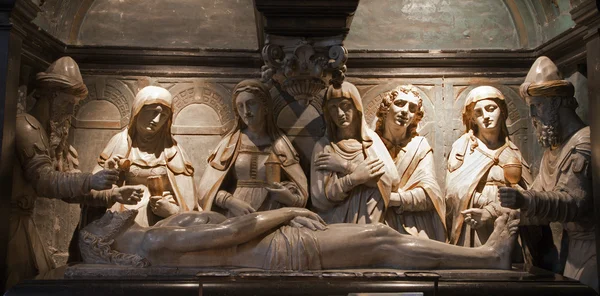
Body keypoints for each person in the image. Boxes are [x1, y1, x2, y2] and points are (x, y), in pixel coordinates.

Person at [6, 57, 142, 289]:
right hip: (10, 225)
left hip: (24, 224)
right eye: (69, 103)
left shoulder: (52, 137)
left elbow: (71, 191)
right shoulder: (27, 126)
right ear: (51, 96)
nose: (71, 111)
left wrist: (114, 195)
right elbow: (46, 181)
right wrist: (91, 179)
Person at [79, 207, 519, 271]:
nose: (111, 213)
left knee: (382, 239)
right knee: (383, 240)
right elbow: (233, 231)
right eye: (102, 220)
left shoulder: (154, 238)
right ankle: (486, 256)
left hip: (269, 246)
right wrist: (289, 210)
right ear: (106, 239)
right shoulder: (152, 242)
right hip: (275, 249)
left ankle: (482, 255)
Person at [500, 56, 597, 292]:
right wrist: (498, 213)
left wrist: (525, 200)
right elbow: (540, 203)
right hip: (571, 247)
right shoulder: (553, 151)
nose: (533, 114)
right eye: (531, 107)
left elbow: (574, 203)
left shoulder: (583, 143)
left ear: (557, 103)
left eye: (539, 105)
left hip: (592, 248)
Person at [91, 85, 198, 228]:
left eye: (164, 115)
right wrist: (108, 174)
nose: (157, 119)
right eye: (152, 112)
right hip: (123, 213)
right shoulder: (118, 142)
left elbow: (189, 200)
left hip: (162, 221)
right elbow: (91, 187)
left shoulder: (174, 151)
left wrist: (173, 211)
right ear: (138, 111)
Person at [198, 79, 308, 216]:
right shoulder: (230, 144)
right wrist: (229, 201)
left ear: (266, 107)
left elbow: (301, 195)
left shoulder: (281, 145)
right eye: (240, 106)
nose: (246, 111)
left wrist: (289, 198)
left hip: (272, 213)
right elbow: (205, 190)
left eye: (251, 104)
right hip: (236, 215)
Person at [446, 86, 532, 247]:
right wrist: (481, 201)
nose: (486, 116)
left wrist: (498, 206)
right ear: (472, 119)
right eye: (478, 112)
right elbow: (452, 190)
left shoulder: (512, 151)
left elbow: (530, 193)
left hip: (507, 220)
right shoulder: (463, 147)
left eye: (491, 109)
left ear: (502, 112)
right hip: (475, 222)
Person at [310, 81, 399, 224]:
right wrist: (353, 179)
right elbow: (319, 200)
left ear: (356, 107)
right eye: (333, 108)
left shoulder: (371, 141)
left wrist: (346, 166)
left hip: (370, 224)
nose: (339, 113)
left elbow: (391, 181)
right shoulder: (324, 147)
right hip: (335, 225)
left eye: (345, 106)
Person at [374, 85, 446, 241]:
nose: (405, 111)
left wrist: (393, 199)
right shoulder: (370, 143)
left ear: (416, 116)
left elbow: (430, 196)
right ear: (386, 108)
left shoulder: (419, 146)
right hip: (375, 220)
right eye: (399, 103)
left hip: (412, 226)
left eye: (412, 108)